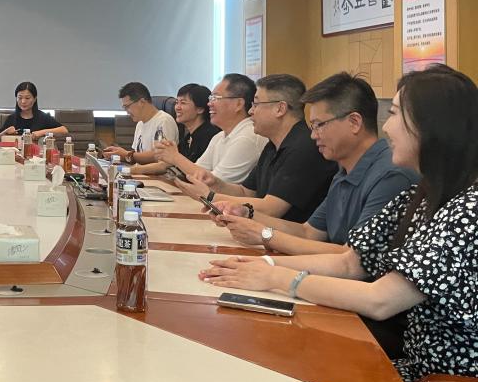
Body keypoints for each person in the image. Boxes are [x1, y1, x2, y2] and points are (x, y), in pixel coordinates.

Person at [200, 64, 478, 382]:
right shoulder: (423, 196)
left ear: (433, 127)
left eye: (396, 114)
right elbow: (351, 262)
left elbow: (381, 299)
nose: (387, 128)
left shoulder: (468, 210)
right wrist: (263, 270)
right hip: (411, 374)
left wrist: (279, 280)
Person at [208, 72, 417, 255]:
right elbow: (309, 232)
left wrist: (264, 235)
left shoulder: (390, 175)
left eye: (319, 125)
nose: (313, 135)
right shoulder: (344, 170)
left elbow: (351, 258)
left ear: (354, 122)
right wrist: (248, 214)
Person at [174, 74, 338, 225]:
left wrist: (210, 196)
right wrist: (216, 183)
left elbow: (271, 208)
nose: (251, 111)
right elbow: (246, 192)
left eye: (257, 104)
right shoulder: (272, 144)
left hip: (290, 239)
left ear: (280, 109)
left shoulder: (303, 146)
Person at [154, 73, 267, 183]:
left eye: (215, 98)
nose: (209, 104)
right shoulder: (219, 137)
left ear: (238, 104)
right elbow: (197, 172)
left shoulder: (247, 137)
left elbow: (214, 182)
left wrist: (175, 157)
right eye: (210, 98)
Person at [131, 83, 219, 175]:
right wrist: (133, 170)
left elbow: (199, 174)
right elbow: (167, 164)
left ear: (200, 109)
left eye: (183, 103)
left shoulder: (210, 136)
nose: (177, 107)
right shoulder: (188, 138)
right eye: (177, 102)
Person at [104, 81, 178, 165]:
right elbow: (137, 156)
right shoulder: (140, 123)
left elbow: (160, 156)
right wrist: (120, 154)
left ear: (142, 102)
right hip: (141, 171)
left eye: (127, 106)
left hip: (155, 173)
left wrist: (127, 155)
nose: (127, 112)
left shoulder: (163, 121)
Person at [0, 82, 67, 139]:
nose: (23, 101)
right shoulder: (12, 118)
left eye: (27, 98)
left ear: (34, 99)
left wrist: (41, 132)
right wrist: (5, 132)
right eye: (20, 98)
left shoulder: (43, 117)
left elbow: (64, 130)